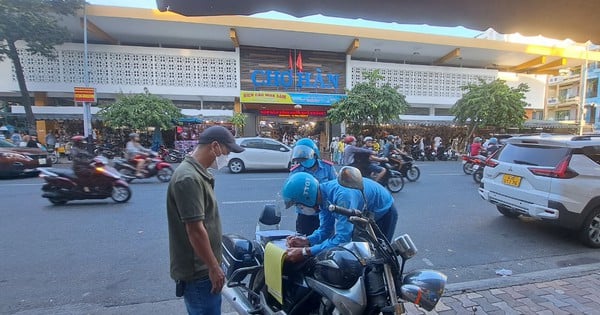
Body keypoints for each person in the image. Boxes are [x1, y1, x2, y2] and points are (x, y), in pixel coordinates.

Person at [166, 125, 244, 315]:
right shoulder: (188, 178)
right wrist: (213, 267)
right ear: (215, 146)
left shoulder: (198, 174)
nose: (227, 156)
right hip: (199, 272)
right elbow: (195, 230)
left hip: (203, 268)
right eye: (227, 151)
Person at [282, 170, 398, 263]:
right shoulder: (323, 197)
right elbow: (325, 230)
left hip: (383, 213)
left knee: (378, 257)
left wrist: (305, 252)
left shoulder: (342, 197)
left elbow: (343, 239)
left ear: (306, 198)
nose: (300, 208)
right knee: (361, 254)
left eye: (298, 204)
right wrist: (307, 241)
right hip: (362, 214)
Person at [290, 140, 337, 235]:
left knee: (327, 241)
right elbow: (291, 192)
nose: (303, 161)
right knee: (304, 242)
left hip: (325, 212)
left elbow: (335, 187)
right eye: (301, 159)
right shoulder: (296, 171)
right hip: (305, 214)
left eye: (305, 158)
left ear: (315, 155)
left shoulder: (327, 167)